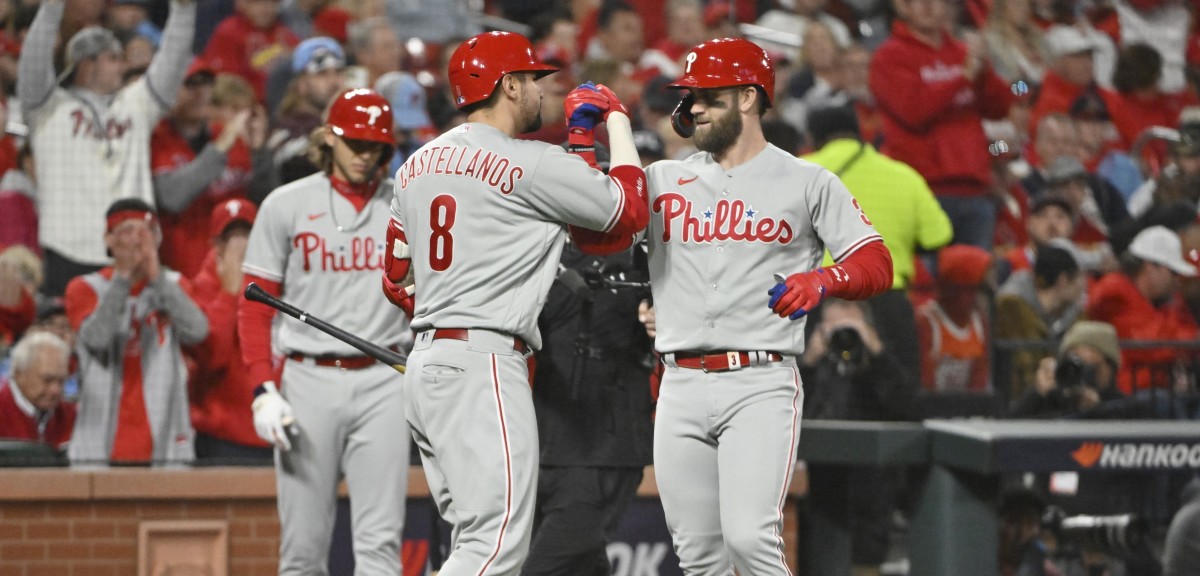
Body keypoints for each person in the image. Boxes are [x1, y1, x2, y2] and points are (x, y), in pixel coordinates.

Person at [591, 38, 892, 574]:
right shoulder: (664, 178)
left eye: (706, 96)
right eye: (689, 99)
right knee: (699, 556)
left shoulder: (806, 181)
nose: (693, 109)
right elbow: (603, 233)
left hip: (759, 382)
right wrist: (594, 138)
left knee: (752, 540)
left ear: (749, 98)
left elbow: (876, 262)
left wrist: (826, 278)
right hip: (679, 381)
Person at [384, 31, 650, 575]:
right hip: (483, 364)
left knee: (472, 541)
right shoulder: (527, 162)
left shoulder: (415, 165)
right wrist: (616, 122)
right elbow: (625, 215)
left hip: (428, 364)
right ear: (506, 85)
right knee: (497, 545)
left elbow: (395, 279)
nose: (540, 91)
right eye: (531, 80)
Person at [238, 89, 412, 574]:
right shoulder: (286, 204)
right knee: (302, 549)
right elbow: (254, 306)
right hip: (307, 379)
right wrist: (262, 388)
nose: (364, 154)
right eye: (354, 142)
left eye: (374, 145)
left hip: (384, 379)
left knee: (381, 548)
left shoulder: (407, 202)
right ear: (329, 139)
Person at [16, 0, 197, 296]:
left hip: (135, 253)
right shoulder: (47, 108)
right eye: (113, 58)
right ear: (86, 64)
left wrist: (183, 10)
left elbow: (173, 64)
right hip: (68, 255)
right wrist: (51, 8)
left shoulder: (136, 104)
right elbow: (33, 62)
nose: (123, 65)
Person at [523, 242, 655, 576]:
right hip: (540, 444)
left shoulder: (642, 254)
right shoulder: (536, 244)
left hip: (603, 448)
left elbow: (687, 295)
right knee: (583, 567)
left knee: (535, 570)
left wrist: (658, 308)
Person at [803, 105, 953, 378]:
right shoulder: (904, 176)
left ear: (813, 139)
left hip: (815, 299)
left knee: (807, 401)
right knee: (897, 399)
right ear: (860, 135)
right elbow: (938, 236)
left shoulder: (799, 172)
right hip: (887, 300)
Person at [65, 199, 209, 466]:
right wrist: (122, 281)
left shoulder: (175, 286)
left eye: (146, 231)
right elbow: (97, 338)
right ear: (108, 239)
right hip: (99, 445)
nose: (136, 241)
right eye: (126, 231)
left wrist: (158, 280)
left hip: (165, 442)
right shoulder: (85, 287)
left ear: (158, 239)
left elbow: (198, 331)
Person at [869, 0, 1013, 249]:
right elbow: (913, 111)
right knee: (929, 281)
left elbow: (1000, 108)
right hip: (923, 190)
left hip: (975, 189)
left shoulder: (962, 53)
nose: (928, 7)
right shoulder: (888, 57)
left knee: (977, 281)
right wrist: (962, 78)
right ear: (903, 7)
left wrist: (984, 72)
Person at [798, 298, 916, 576]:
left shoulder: (877, 367)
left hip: (872, 492)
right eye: (835, 329)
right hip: (822, 494)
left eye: (851, 328)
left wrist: (875, 351)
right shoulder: (817, 368)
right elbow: (788, 410)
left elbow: (908, 405)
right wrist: (809, 362)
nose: (844, 337)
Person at [152, 61, 272, 279]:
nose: (201, 93)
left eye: (207, 84)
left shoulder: (228, 135)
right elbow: (171, 198)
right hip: (183, 276)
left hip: (236, 273)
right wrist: (220, 148)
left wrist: (259, 153)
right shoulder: (157, 139)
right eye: (190, 84)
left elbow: (263, 204)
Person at [188, 198, 272, 464]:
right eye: (231, 240)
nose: (242, 248)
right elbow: (213, 359)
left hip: (274, 432)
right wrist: (231, 291)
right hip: (221, 439)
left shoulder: (277, 285)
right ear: (216, 248)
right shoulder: (196, 290)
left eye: (248, 237)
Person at [916, 244, 993, 394]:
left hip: (967, 409)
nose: (979, 295)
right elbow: (925, 381)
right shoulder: (926, 322)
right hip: (932, 409)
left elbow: (980, 378)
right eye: (977, 287)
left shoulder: (979, 322)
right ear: (961, 289)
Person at [0, 331, 75, 448]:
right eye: (47, 380)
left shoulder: (72, 416)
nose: (55, 390)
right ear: (19, 374)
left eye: (61, 381)